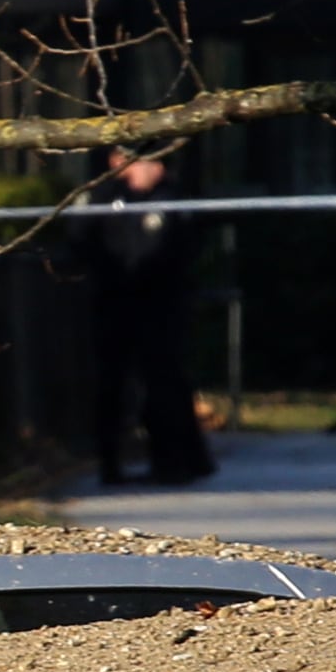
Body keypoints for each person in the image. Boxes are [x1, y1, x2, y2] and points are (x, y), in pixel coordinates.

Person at [77, 148, 216, 488]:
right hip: (113, 305)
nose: (149, 170)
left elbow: (178, 249)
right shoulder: (104, 197)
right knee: (111, 385)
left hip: (160, 307)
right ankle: (109, 464)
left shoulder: (172, 199)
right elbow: (82, 242)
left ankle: (173, 462)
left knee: (165, 384)